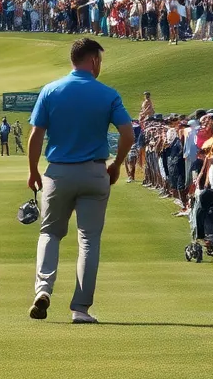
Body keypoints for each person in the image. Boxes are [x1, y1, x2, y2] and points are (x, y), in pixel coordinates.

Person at [27, 38, 134, 324]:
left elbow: (36, 135)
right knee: (88, 240)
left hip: (58, 172)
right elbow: (128, 134)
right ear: (94, 61)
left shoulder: (51, 90)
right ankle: (80, 308)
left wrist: (33, 170)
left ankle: (43, 289)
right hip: (95, 172)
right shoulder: (108, 94)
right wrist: (117, 164)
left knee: (50, 233)